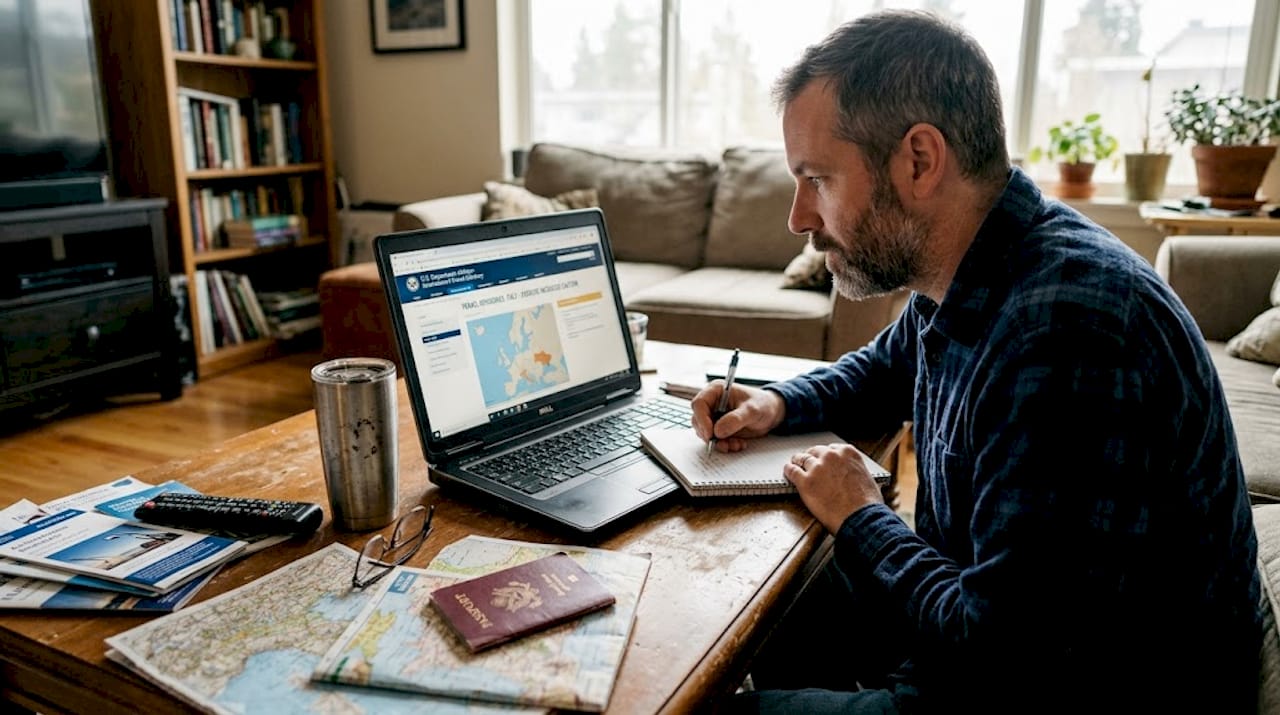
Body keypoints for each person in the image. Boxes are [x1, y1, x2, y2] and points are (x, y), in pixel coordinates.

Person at [693, 10, 1262, 714]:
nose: (799, 217)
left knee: (707, 703)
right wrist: (776, 402)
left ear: (919, 160)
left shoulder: (1067, 332)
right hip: (991, 630)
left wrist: (865, 515)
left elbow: (1001, 658)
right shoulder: (975, 261)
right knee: (753, 610)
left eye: (818, 179)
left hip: (1081, 687)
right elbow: (884, 368)